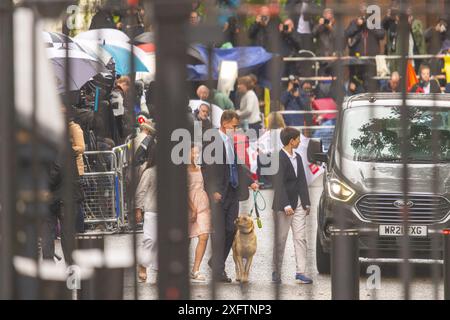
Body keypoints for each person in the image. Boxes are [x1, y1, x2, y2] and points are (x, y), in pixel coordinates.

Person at [202, 110, 258, 282]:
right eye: (234, 126)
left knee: (231, 229)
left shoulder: (229, 141)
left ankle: (215, 262)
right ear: (224, 123)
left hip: (232, 193)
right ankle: (219, 270)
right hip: (219, 194)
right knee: (219, 232)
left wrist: (250, 181)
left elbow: (237, 166)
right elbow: (206, 167)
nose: (236, 129)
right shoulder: (211, 139)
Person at [271, 127, 312, 284]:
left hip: (300, 204)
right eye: (298, 139)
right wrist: (286, 204)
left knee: (300, 238)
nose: (300, 141)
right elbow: (279, 183)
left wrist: (306, 202)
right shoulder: (278, 158)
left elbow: (302, 180)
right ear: (291, 141)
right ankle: (276, 271)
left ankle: (301, 272)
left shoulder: (299, 157)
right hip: (284, 205)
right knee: (280, 239)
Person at [188, 144, 213, 282]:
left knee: (204, 236)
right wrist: (192, 208)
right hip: (189, 205)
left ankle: (196, 270)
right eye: (193, 153)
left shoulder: (200, 168)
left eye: (197, 153)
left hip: (203, 205)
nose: (196, 156)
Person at [135, 143, 158, 283]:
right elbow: (140, 191)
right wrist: (138, 209)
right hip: (151, 211)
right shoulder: (149, 172)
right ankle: (143, 265)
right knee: (150, 240)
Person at [312, 8, 336, 76]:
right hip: (322, 57)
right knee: (322, 79)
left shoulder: (336, 27)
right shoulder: (319, 27)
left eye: (330, 17)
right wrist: (319, 25)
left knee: (334, 79)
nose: (327, 20)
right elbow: (313, 34)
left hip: (333, 58)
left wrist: (331, 27)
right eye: (326, 18)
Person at [110, 76, 131, 144]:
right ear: (124, 84)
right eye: (127, 88)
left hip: (114, 125)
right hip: (118, 128)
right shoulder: (118, 93)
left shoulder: (114, 91)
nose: (126, 90)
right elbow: (118, 114)